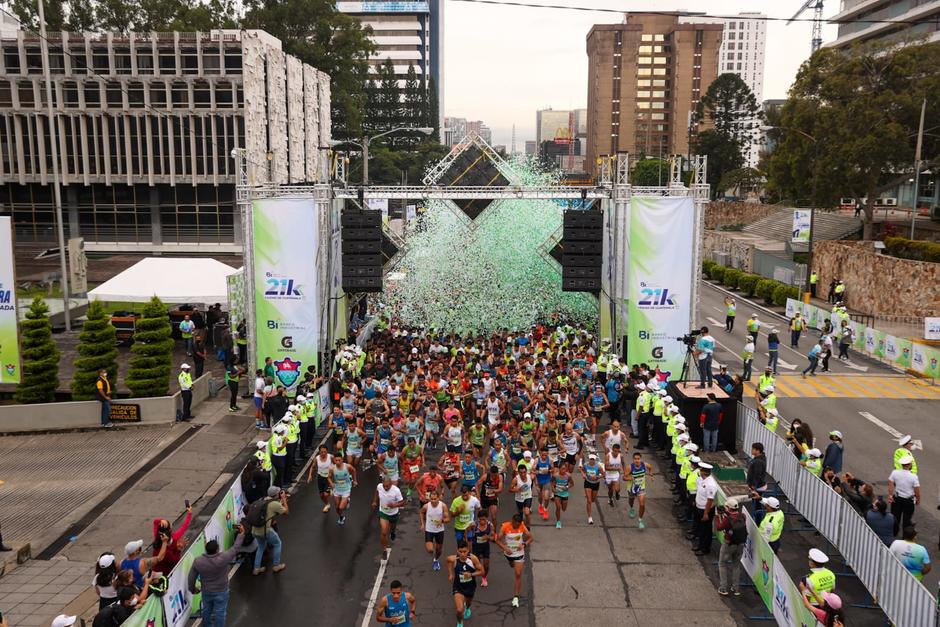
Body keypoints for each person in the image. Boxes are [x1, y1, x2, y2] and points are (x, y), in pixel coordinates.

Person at [188, 524, 249, 627]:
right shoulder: (224, 558)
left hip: (206, 591)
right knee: (220, 612)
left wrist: (193, 589)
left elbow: (191, 578)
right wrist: (241, 534)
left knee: (206, 611)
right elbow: (235, 548)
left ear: (206, 550)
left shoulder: (198, 561)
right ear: (217, 550)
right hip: (221, 591)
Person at [495, 512, 533, 609]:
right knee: (512, 565)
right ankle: (511, 562)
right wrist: (504, 548)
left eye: (519, 525)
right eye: (516, 524)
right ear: (512, 521)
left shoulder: (522, 526)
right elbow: (497, 540)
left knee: (518, 573)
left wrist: (524, 544)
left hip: (519, 554)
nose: (517, 526)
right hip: (508, 553)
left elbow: (531, 538)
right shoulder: (505, 527)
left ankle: (516, 597)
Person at [251, 486, 288, 575]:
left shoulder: (262, 500)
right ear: (276, 494)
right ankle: (276, 566)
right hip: (265, 530)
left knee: (261, 547)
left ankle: (256, 568)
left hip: (254, 529)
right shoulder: (274, 504)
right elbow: (286, 512)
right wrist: (284, 499)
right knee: (277, 543)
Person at [447, 540, 485, 627]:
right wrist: (450, 574)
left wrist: (471, 574)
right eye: (460, 552)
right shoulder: (454, 559)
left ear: (468, 550)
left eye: (464, 551)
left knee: (468, 603)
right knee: (459, 610)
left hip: (470, 587)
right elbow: (448, 561)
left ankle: (467, 608)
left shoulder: (473, 559)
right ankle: (460, 623)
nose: (462, 554)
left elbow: (482, 572)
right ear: (457, 550)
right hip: (458, 587)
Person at [715, 497, 747, 596]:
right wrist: (726, 512)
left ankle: (723, 588)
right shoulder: (743, 516)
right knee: (736, 565)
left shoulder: (727, 520)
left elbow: (719, 527)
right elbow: (734, 517)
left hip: (729, 544)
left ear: (728, 508)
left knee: (722, 564)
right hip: (740, 544)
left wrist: (717, 516)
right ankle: (736, 588)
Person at [151, 504, 193, 574]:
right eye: (170, 524)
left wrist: (162, 521)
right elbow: (175, 561)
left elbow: (155, 521)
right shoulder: (174, 539)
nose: (172, 525)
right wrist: (178, 550)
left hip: (156, 571)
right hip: (164, 575)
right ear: (170, 530)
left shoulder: (158, 535)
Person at [374, 475, 406, 559]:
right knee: (384, 532)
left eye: (387, 486)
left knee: (392, 527)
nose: (385, 488)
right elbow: (376, 492)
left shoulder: (396, 490)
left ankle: (392, 532)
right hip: (383, 513)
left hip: (393, 513)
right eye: (384, 486)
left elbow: (402, 503)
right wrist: (374, 501)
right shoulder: (379, 486)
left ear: (391, 483)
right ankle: (384, 550)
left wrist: (394, 505)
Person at [888, 455, 920, 536]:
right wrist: (918, 500)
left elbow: (890, 484)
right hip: (908, 501)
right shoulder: (913, 476)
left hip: (897, 498)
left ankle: (894, 533)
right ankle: (905, 536)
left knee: (895, 517)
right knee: (907, 520)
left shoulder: (895, 472)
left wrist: (890, 495)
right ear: (909, 465)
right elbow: (917, 491)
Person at [420, 490, 450, 571]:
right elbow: (421, 512)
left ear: (438, 498)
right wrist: (422, 523)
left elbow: (448, 519)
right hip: (429, 530)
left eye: (435, 499)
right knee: (430, 549)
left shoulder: (443, 506)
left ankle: (436, 559)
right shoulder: (426, 506)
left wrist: (442, 521)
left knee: (439, 550)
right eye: (432, 499)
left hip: (439, 530)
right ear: (430, 498)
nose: (433, 501)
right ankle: (432, 553)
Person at [693, 462, 718, 555]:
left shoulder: (710, 484)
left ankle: (705, 548)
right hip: (699, 507)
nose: (699, 471)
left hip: (706, 510)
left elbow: (709, 500)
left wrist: (706, 513)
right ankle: (700, 545)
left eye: (701, 470)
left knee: (706, 530)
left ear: (704, 472)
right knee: (701, 528)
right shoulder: (701, 479)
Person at [329, 453, 357, 525]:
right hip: (337, 490)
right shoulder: (332, 468)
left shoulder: (347, 466)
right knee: (337, 508)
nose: (338, 462)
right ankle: (341, 517)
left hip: (346, 489)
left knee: (341, 507)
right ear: (334, 460)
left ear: (342, 460)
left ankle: (347, 500)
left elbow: (354, 470)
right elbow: (328, 477)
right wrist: (331, 483)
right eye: (336, 460)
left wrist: (355, 480)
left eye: (339, 460)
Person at [626, 453, 653, 529]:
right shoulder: (629, 467)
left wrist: (651, 475)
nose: (637, 460)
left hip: (641, 488)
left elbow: (650, 468)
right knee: (631, 501)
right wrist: (630, 478)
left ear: (640, 459)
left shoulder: (645, 465)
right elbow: (624, 477)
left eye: (638, 459)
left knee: (642, 504)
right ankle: (631, 508)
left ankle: (640, 520)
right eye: (635, 459)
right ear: (633, 459)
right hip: (632, 488)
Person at [471, 510, 494, 587]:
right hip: (476, 547)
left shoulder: (490, 525)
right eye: (480, 519)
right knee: (475, 565)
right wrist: (468, 541)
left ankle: (484, 578)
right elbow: (466, 531)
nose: (482, 521)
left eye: (483, 519)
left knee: (486, 565)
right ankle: (472, 578)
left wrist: (488, 537)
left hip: (485, 547)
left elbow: (493, 537)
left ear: (487, 518)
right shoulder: (474, 524)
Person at [747, 442, 768, 520]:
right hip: (759, 485)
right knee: (757, 503)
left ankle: (758, 521)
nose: (751, 450)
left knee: (757, 504)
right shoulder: (760, 458)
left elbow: (757, 475)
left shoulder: (758, 461)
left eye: (753, 449)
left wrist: (753, 485)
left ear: (758, 451)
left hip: (758, 487)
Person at [582, 452, 604, 525]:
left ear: (595, 459)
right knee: (589, 500)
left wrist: (597, 477)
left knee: (593, 500)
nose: (592, 460)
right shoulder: (586, 465)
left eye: (593, 459)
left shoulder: (598, 466)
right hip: (587, 483)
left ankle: (590, 499)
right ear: (589, 459)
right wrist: (583, 475)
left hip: (596, 484)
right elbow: (582, 470)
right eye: (590, 459)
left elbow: (603, 474)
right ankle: (590, 517)